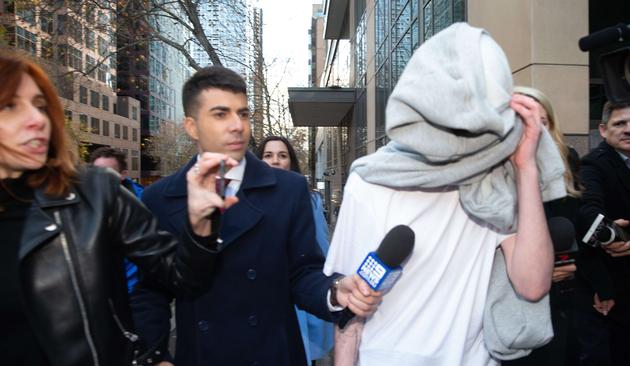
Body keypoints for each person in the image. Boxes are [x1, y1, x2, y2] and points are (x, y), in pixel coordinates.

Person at [324, 23, 566, 366]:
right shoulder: (369, 180)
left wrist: (527, 169)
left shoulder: (495, 179)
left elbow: (532, 285)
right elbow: (350, 308)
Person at [130, 65, 383, 366]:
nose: (237, 125)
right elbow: (151, 292)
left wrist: (334, 291)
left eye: (244, 113)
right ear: (192, 126)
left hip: (273, 353)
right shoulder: (161, 197)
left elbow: (303, 273)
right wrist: (156, 357)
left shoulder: (288, 189)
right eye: (221, 114)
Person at [0, 53, 238, 365]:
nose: (37, 119)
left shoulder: (97, 191)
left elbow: (181, 277)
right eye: (10, 106)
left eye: (41, 105)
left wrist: (201, 224)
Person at [503, 86, 582, 366]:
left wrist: (575, 265)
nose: (531, 133)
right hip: (511, 307)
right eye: (521, 124)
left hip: (562, 304)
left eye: (540, 123)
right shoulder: (494, 179)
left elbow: (579, 229)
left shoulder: (569, 166)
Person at [574, 100, 630, 366]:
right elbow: (587, 212)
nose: (629, 129)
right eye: (620, 124)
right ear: (604, 130)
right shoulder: (592, 165)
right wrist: (613, 238)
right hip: (605, 288)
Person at [256, 135, 334, 365]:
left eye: (282, 155)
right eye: (268, 155)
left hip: (299, 296)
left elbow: (320, 248)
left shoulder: (309, 199)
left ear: (291, 161)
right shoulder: (245, 198)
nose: (276, 161)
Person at [90, 146, 143, 293]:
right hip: (99, 293)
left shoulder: (145, 203)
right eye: (96, 173)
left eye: (108, 173)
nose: (100, 179)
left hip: (137, 291)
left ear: (123, 174)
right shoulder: (80, 205)